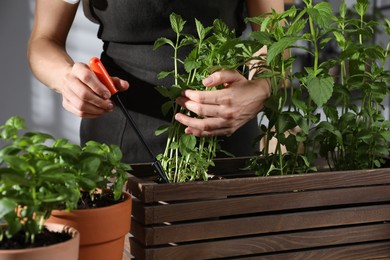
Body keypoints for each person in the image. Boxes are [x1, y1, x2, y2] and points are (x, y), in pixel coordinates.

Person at [28, 0, 284, 163]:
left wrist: (260, 89)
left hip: (226, 133)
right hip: (120, 136)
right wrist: (65, 78)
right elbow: (43, 41)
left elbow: (276, 45)